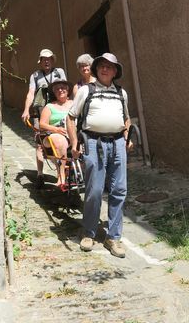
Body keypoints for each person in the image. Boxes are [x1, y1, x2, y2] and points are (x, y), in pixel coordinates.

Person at [66, 53, 132, 258]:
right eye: (101, 66)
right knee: (94, 189)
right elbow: (70, 117)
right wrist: (75, 143)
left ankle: (113, 237)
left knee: (119, 189)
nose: (105, 69)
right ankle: (89, 232)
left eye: (109, 66)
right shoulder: (86, 90)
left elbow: (126, 119)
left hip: (117, 142)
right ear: (96, 69)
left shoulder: (122, 93)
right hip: (93, 142)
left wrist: (126, 138)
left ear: (115, 71)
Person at [21, 49, 66, 188]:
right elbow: (30, 93)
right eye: (43, 59)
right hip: (41, 114)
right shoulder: (35, 76)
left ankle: (62, 172)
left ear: (53, 60)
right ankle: (40, 174)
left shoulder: (59, 72)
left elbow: (65, 89)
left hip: (58, 112)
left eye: (49, 59)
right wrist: (26, 109)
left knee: (61, 139)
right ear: (40, 61)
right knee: (40, 144)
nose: (46, 61)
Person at [39, 79, 74, 190]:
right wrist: (56, 129)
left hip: (73, 134)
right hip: (54, 135)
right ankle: (62, 175)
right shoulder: (50, 106)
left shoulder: (74, 104)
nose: (60, 90)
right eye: (57, 89)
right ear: (54, 92)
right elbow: (42, 124)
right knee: (59, 140)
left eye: (63, 88)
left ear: (68, 90)